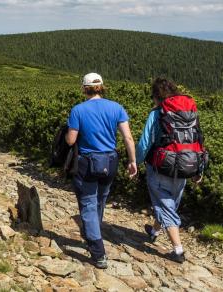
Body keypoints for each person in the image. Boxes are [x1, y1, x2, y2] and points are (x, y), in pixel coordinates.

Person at [66, 73, 137, 269]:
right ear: (102, 87)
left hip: (87, 163)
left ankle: (98, 252)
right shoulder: (117, 107)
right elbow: (128, 138)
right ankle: (93, 230)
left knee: (88, 202)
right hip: (110, 161)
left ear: (84, 88)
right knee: (101, 198)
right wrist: (132, 161)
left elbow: (71, 140)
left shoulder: (78, 110)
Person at [136, 78, 205, 264]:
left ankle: (178, 250)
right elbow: (198, 140)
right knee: (169, 202)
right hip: (185, 165)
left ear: (156, 96)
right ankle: (154, 231)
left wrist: (134, 161)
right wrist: (199, 169)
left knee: (165, 204)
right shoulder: (189, 113)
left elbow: (145, 143)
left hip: (161, 166)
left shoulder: (157, 113)